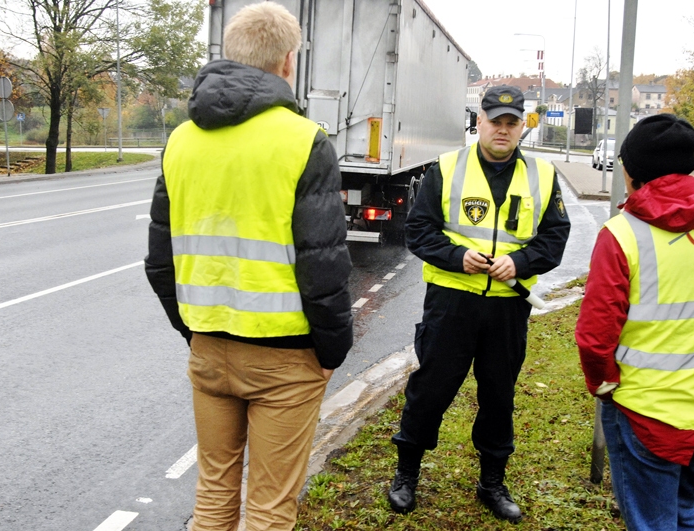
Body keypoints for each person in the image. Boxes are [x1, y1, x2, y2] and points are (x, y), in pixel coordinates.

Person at [143, 3, 353, 530]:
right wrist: (332, 350)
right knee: (269, 506)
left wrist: (194, 329)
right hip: (285, 359)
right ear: (288, 62)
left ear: (230, 55)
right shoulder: (305, 141)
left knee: (214, 492)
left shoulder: (181, 141)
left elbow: (159, 260)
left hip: (209, 348)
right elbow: (323, 266)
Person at [576, 114, 694, 531]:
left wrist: (605, 386)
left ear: (628, 171)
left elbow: (595, 338)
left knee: (652, 522)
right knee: (687, 515)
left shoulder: (622, 235)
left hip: (645, 415)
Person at [387, 84, 570, 522]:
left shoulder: (543, 176)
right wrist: (457, 257)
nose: (503, 130)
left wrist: (520, 262)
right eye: (495, 121)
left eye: (512, 123)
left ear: (522, 127)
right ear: (480, 122)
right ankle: (406, 475)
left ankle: (492, 484)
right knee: (430, 391)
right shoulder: (447, 168)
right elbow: (419, 231)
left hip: (507, 307)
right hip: (452, 303)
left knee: (498, 397)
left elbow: (554, 238)